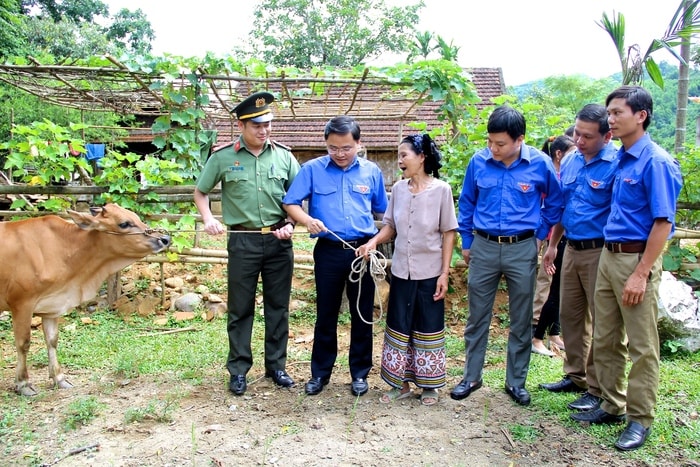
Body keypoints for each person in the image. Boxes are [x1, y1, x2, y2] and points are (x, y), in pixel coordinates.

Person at [570, 86, 682, 452]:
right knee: (605, 334)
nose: (611, 119)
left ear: (641, 116)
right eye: (610, 113)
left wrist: (641, 272)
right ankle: (611, 403)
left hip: (636, 259)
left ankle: (640, 418)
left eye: (617, 113)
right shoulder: (620, 158)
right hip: (608, 254)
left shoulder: (656, 162)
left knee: (642, 344)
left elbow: (663, 223)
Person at [450, 105, 563, 406]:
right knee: (477, 316)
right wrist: (467, 240)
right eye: (490, 141)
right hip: (484, 246)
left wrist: (540, 237)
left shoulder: (539, 164)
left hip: (521, 247)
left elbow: (555, 202)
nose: (493, 148)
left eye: (500, 143)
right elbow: (468, 202)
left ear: (519, 139)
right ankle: (471, 377)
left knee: (521, 317)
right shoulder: (479, 162)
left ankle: (516, 382)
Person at [193, 91, 300, 396]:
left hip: (280, 242)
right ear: (241, 125)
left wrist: (291, 223)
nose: (264, 130)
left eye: (267, 124)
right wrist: (208, 219)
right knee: (240, 308)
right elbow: (201, 192)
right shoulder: (223, 157)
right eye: (257, 125)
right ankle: (239, 369)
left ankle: (276, 366)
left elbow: (299, 196)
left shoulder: (284, 156)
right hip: (242, 241)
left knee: (278, 307)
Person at [282, 116, 388, 397]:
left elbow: (384, 213)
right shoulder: (312, 169)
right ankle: (320, 374)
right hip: (328, 252)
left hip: (361, 253)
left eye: (346, 148)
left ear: (358, 144)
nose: (340, 154)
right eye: (333, 148)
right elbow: (290, 202)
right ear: (326, 145)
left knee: (362, 314)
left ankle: (360, 374)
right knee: (326, 314)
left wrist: (375, 243)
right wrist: (306, 220)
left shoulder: (371, 172)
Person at [356, 134, 458, 406]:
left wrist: (444, 273)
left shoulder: (441, 190)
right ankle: (399, 383)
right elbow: (390, 227)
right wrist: (373, 242)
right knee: (399, 324)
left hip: (430, 271)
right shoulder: (398, 190)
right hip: (401, 270)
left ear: (421, 157)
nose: (399, 160)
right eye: (399, 155)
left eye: (404, 155)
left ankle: (429, 387)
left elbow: (449, 233)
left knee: (428, 325)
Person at [539, 104, 618, 413]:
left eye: (587, 136)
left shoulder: (616, 163)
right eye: (576, 134)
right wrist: (553, 244)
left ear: (607, 135)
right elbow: (563, 206)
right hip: (571, 247)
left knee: (603, 321)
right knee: (571, 316)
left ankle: (598, 388)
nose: (579, 141)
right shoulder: (571, 160)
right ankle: (576, 376)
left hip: (601, 251)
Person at [531, 135, 575, 356]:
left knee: (557, 288)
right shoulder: (551, 174)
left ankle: (553, 333)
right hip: (550, 237)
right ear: (559, 153)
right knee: (546, 285)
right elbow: (547, 208)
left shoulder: (567, 173)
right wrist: (544, 239)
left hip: (560, 237)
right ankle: (535, 329)